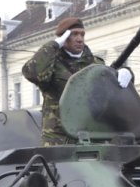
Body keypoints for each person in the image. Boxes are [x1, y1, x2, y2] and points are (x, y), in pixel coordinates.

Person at [22, 17, 110, 145]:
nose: (80, 39)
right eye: (74, 34)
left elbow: (112, 89)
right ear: (64, 37)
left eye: (82, 34)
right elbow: (32, 73)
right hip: (58, 140)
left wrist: (126, 71)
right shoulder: (51, 64)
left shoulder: (95, 63)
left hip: (91, 138)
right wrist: (54, 45)